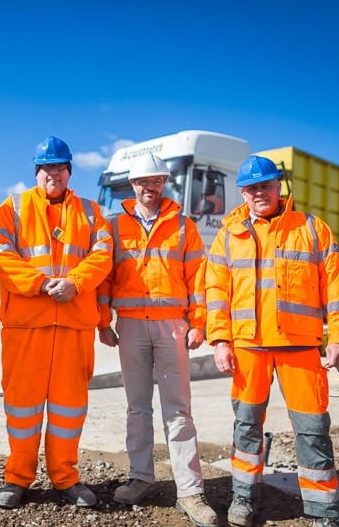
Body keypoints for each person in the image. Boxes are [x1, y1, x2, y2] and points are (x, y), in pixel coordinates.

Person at [205, 155, 339, 527]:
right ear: (243, 192)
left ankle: (324, 512)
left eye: (266, 185)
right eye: (252, 187)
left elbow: (336, 288)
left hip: (301, 348)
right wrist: (220, 339)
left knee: (312, 428)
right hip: (248, 348)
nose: (260, 192)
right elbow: (215, 291)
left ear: (279, 187)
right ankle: (243, 498)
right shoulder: (229, 235)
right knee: (246, 425)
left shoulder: (312, 228)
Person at [0, 135, 113, 509]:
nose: (51, 173)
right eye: (45, 168)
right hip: (27, 324)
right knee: (22, 405)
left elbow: (103, 255)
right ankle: (17, 478)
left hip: (74, 325)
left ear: (69, 171)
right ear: (36, 172)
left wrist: (75, 283)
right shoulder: (13, 207)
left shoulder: (91, 212)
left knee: (69, 407)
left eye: (58, 167)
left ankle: (66, 478)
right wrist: (41, 284)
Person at [97, 153, 218, 527]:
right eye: (142, 182)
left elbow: (199, 278)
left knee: (178, 410)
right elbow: (104, 277)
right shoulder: (114, 226)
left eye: (156, 181)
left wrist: (199, 323)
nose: (149, 188)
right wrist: (103, 321)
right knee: (137, 408)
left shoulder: (184, 226)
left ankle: (190, 490)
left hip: (172, 327)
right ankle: (140, 477)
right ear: (131, 185)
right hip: (131, 326)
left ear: (164, 183)